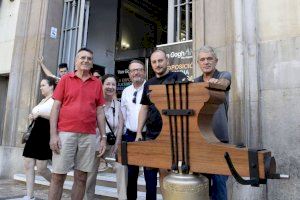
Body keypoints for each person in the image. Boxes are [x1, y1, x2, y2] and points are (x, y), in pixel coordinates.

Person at [48, 48, 107, 200]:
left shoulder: (97, 83)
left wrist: (103, 137)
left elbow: (100, 112)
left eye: (89, 58)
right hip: (65, 134)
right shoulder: (65, 80)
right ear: (76, 61)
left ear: (92, 62)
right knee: (57, 176)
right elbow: (55, 108)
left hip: (88, 136)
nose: (86, 60)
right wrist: (53, 135)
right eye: (83, 58)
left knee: (81, 178)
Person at [136, 50, 187, 199]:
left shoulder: (179, 77)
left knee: (167, 175)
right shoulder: (149, 83)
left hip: (171, 136)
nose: (157, 64)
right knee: (150, 174)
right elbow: (144, 107)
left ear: (167, 61)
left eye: (160, 61)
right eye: (154, 62)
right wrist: (139, 131)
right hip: (151, 135)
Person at [194, 45, 231, 200]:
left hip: (219, 140)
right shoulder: (195, 82)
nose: (206, 62)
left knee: (220, 181)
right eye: (202, 59)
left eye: (209, 58)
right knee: (201, 184)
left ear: (216, 61)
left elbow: (224, 83)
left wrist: (215, 83)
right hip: (200, 141)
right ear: (198, 63)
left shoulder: (223, 74)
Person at [85, 74, 127, 200]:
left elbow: (120, 126)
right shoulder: (94, 102)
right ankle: (87, 197)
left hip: (112, 144)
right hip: (95, 144)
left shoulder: (118, 104)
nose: (110, 87)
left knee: (122, 167)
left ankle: (123, 197)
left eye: (113, 84)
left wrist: (117, 144)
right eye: (107, 84)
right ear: (102, 85)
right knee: (90, 175)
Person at [121, 60, 154, 200]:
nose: (136, 72)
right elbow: (123, 116)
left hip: (148, 136)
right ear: (129, 74)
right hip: (129, 136)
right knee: (131, 174)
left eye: (139, 69)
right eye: (133, 70)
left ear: (144, 72)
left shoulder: (151, 88)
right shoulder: (125, 91)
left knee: (150, 174)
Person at [22, 77, 56, 200]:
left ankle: (57, 184)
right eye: (40, 85)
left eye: (43, 85)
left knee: (42, 168)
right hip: (35, 133)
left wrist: (40, 114)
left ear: (51, 86)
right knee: (28, 163)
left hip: (45, 133)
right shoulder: (42, 100)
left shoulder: (55, 99)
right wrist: (32, 116)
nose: (40, 87)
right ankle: (29, 196)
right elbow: (37, 114)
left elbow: (57, 116)